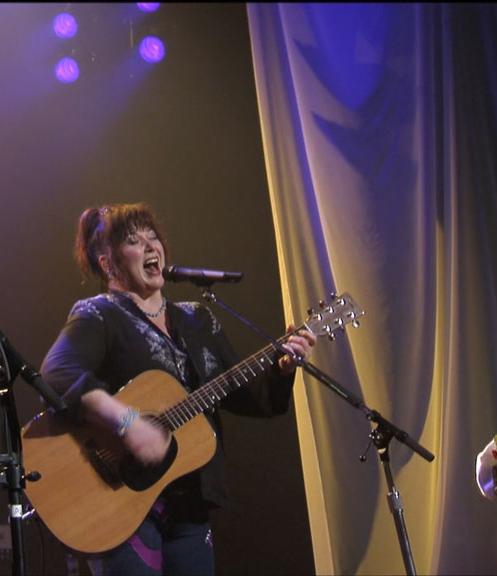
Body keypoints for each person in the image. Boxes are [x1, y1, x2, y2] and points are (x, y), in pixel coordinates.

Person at [39, 203, 316, 576]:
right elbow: (57, 372)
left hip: (190, 504)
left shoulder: (196, 319)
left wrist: (281, 370)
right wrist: (127, 422)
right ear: (108, 264)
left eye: (153, 236)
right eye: (133, 241)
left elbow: (245, 395)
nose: (150, 246)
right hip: (120, 501)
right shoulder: (99, 313)